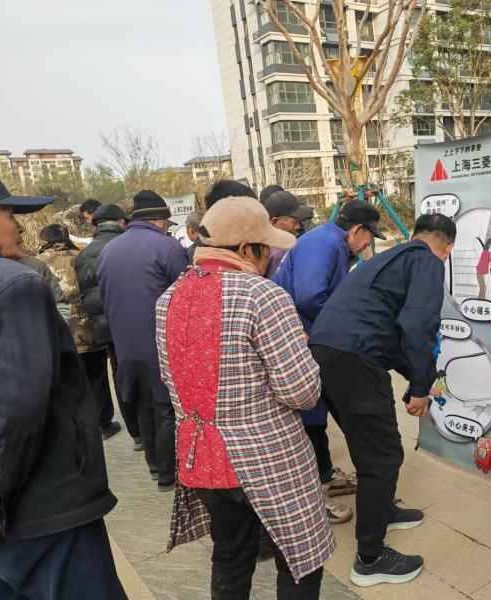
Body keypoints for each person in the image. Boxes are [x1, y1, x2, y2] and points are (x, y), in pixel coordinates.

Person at [0, 165, 125, 599]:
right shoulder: (14, 284)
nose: (19, 226)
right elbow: (19, 405)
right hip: (38, 514)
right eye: (9, 214)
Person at [156, 197, 334, 599]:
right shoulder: (262, 295)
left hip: (203, 456)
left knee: (231, 554)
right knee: (300, 557)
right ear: (244, 249)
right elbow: (301, 391)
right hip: (267, 455)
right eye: (265, 248)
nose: (270, 257)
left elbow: (170, 380)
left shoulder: (169, 297)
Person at [308, 213, 456, 587]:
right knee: (384, 455)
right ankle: (370, 559)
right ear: (447, 248)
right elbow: (418, 325)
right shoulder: (427, 261)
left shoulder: (390, 258)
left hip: (325, 353)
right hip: (355, 359)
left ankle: (383, 510)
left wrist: (417, 379)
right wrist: (421, 388)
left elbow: (385, 329)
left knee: (367, 444)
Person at [275, 200, 386, 524]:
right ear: (357, 230)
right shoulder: (323, 243)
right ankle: (312, 497)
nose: (368, 244)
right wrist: (341, 329)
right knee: (307, 418)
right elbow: (310, 296)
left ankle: (323, 476)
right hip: (301, 339)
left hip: (309, 338)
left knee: (316, 413)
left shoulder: (331, 242)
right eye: (369, 236)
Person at [97, 190, 188, 492]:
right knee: (165, 406)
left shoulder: (108, 250)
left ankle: (154, 465)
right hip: (160, 342)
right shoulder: (167, 247)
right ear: (161, 220)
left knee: (141, 404)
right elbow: (186, 297)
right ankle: (168, 474)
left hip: (123, 343)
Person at [37, 224, 124, 442]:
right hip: (89, 330)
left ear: (44, 240)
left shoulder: (38, 263)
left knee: (68, 381)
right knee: (97, 379)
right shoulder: (81, 257)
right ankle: (103, 424)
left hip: (60, 332)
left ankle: (77, 427)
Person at [75, 204, 142, 449]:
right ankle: (148, 430)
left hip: (104, 327)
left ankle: (136, 435)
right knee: (142, 375)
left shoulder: (82, 255)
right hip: (130, 321)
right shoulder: (124, 246)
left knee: (119, 375)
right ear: (120, 222)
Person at [261, 185, 314, 277]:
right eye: (294, 222)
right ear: (275, 221)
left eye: (299, 221)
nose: (298, 226)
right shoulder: (267, 254)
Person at [475, 237, 491, 303]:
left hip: (480, 273)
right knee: (483, 288)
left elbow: (489, 260)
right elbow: (484, 263)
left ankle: (479, 300)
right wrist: (489, 266)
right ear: (489, 246)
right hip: (479, 273)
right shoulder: (485, 253)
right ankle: (482, 301)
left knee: (482, 287)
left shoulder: (487, 253)